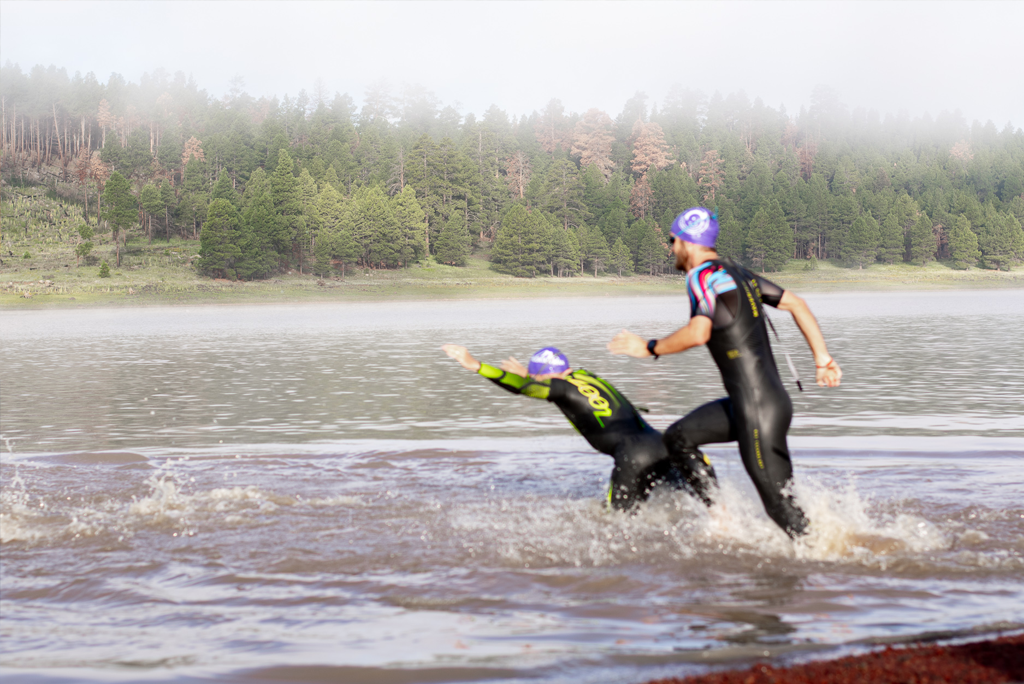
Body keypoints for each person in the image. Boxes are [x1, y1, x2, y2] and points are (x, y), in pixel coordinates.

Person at [608, 207, 842, 538]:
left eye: (672, 240)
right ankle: (720, 515)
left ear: (687, 242)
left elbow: (698, 333)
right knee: (679, 437)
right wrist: (822, 359)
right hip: (758, 402)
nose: (671, 248)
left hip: (757, 409)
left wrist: (649, 347)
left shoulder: (702, 276)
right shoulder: (737, 273)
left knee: (778, 505)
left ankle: (827, 559)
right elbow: (797, 304)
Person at [441, 344, 717, 510]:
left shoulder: (559, 388)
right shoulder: (587, 376)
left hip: (634, 456)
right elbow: (549, 383)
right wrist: (532, 376)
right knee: (700, 507)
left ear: (545, 378)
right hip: (663, 445)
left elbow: (525, 388)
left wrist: (476, 365)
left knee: (617, 525)